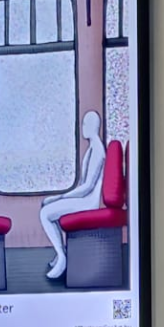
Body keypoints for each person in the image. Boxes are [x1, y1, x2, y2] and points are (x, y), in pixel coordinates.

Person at [39, 110, 107, 280]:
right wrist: (59, 197)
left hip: (88, 201)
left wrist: (60, 197)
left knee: (45, 213)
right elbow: (82, 184)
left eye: (85, 124)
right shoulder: (92, 148)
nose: (83, 127)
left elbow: (88, 187)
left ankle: (62, 258)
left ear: (93, 126)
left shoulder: (98, 150)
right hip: (84, 198)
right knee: (48, 207)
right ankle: (60, 253)